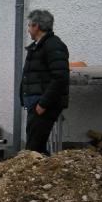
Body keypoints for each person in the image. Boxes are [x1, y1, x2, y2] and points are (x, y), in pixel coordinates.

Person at [21, 9, 69, 154]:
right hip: (36, 102)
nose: (28, 29)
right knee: (37, 146)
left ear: (36, 26)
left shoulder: (53, 45)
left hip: (43, 104)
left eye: (29, 25)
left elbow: (60, 77)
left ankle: (37, 174)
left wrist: (43, 103)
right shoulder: (39, 46)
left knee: (33, 148)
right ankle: (43, 173)